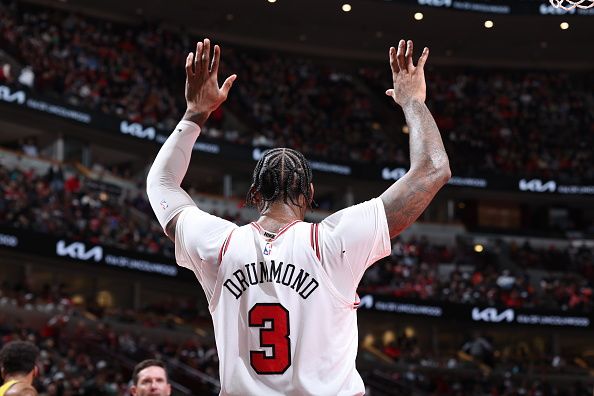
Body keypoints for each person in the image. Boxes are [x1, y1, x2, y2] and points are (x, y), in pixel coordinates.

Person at [147, 38, 450, 395]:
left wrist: (194, 113)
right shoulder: (333, 243)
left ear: (255, 195)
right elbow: (433, 168)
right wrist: (413, 101)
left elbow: (161, 184)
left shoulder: (220, 245)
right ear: (309, 195)